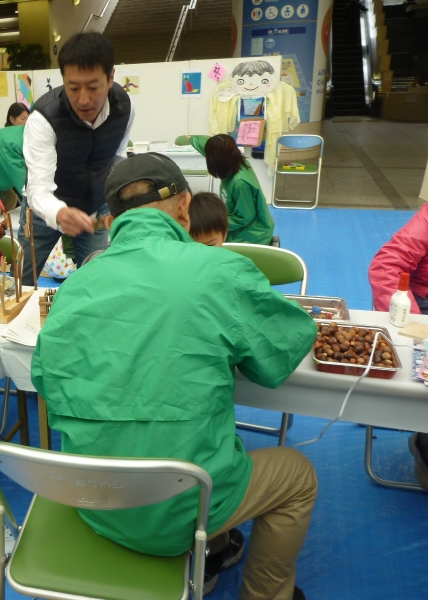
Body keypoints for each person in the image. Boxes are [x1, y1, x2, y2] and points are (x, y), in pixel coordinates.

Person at [32, 153, 318, 600]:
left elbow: (47, 382)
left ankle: (216, 548)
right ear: (184, 206)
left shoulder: (74, 286)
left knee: (194, 438)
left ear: (111, 219)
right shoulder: (220, 270)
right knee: (297, 476)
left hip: (93, 500)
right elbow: (279, 357)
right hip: (179, 511)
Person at [17, 32, 135, 281]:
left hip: (95, 207)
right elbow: (38, 188)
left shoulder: (125, 108)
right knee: (23, 283)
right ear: (63, 80)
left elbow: (116, 157)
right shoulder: (43, 118)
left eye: (93, 87)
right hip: (43, 210)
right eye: (73, 88)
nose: (83, 99)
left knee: (97, 280)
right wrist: (60, 213)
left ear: (111, 77)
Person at [368, 203, 428, 490]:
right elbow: (386, 265)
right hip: (421, 307)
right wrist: (415, 326)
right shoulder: (426, 221)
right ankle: (424, 447)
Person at [188, 134, 275, 245]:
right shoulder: (234, 162)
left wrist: (217, 223)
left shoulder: (240, 184)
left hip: (253, 233)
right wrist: (192, 139)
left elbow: (244, 217)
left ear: (215, 160)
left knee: (208, 238)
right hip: (239, 223)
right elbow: (205, 146)